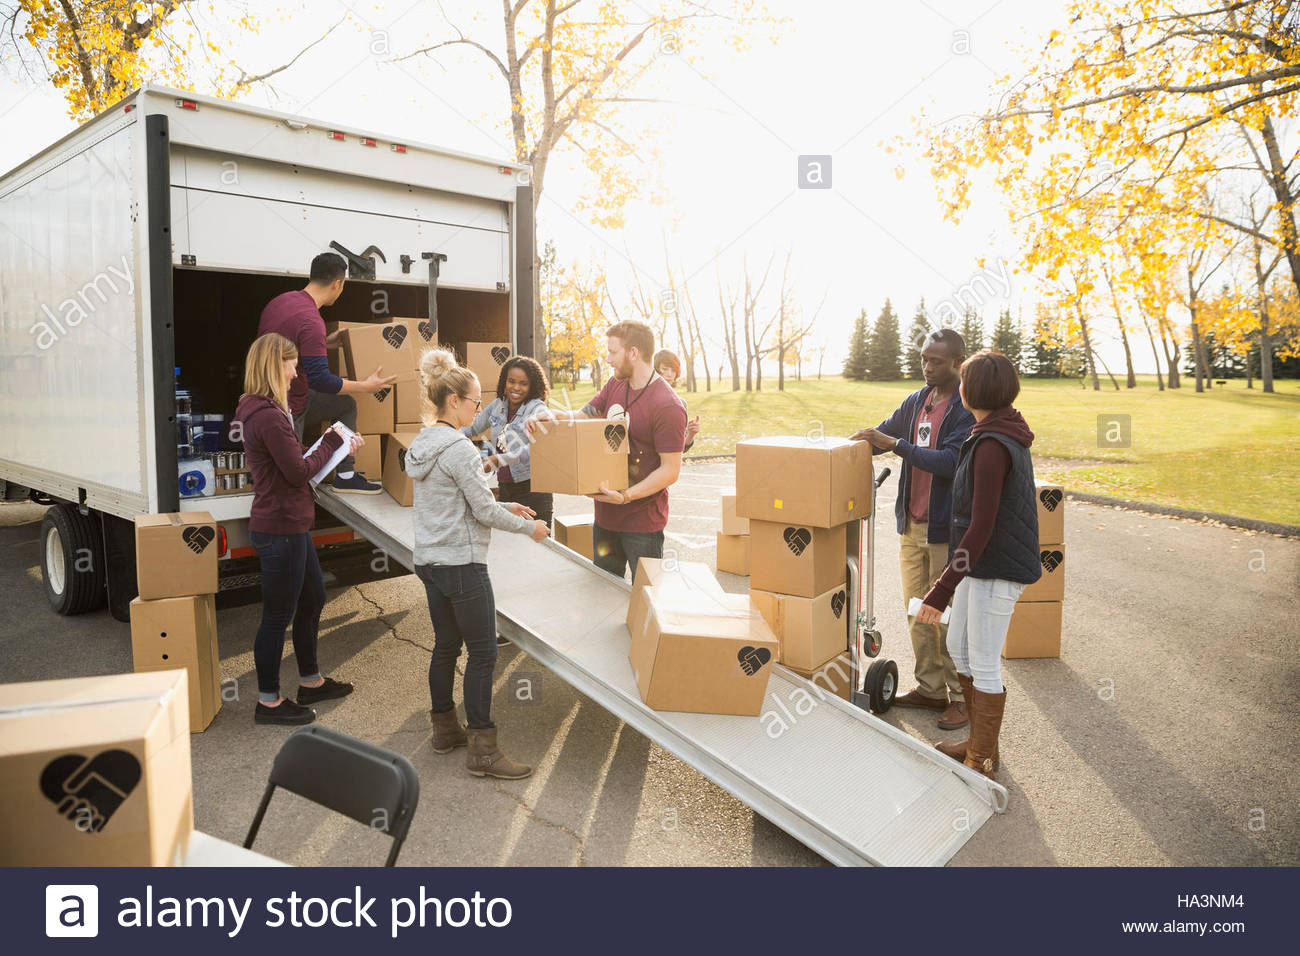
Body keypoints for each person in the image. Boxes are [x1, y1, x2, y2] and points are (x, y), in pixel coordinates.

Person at [404, 348, 551, 779]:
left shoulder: (423, 443)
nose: (478, 408)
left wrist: (515, 511)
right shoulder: (461, 449)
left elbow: (470, 503)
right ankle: (483, 751)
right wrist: (532, 530)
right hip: (464, 566)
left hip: (430, 562)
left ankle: (444, 730)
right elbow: (486, 512)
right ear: (454, 402)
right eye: (473, 400)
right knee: (484, 653)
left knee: (446, 646)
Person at [917, 351, 1040, 778]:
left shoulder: (992, 444)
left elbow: (982, 525)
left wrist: (942, 587)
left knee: (984, 660)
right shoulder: (990, 431)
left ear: (978, 390)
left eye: (965, 381)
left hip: (996, 566)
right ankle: (977, 743)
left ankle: (982, 759)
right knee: (959, 648)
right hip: (980, 563)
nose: (960, 388)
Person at [234, 333, 363, 725]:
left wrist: (325, 444)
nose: (295, 372)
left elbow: (291, 465)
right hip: (280, 530)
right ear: (275, 365)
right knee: (277, 615)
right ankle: (269, 702)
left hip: (290, 525)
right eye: (291, 364)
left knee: (313, 598)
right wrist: (332, 439)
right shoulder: (269, 416)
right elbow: (299, 471)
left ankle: (311, 681)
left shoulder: (263, 409)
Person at [850, 328, 975, 731]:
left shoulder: (964, 409)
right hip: (912, 525)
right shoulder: (917, 400)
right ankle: (930, 688)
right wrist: (846, 447)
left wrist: (896, 445)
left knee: (947, 617)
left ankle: (961, 698)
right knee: (917, 612)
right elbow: (880, 435)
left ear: (957, 362)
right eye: (924, 359)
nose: (927, 367)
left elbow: (950, 462)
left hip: (946, 530)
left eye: (936, 361)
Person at [529, 321, 687, 580]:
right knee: (602, 595)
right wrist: (550, 416)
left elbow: (670, 470)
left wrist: (625, 496)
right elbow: (583, 415)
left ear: (633, 353)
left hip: (642, 524)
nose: (608, 359)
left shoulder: (667, 405)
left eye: (613, 352)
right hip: (605, 518)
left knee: (645, 600)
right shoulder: (615, 384)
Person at [258, 252, 396, 494]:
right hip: (288, 409)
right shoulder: (311, 320)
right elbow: (320, 380)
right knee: (293, 482)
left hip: (266, 400)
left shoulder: (281, 302)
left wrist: (325, 342)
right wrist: (367, 386)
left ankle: (345, 475)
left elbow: (292, 341)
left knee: (345, 405)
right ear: (337, 284)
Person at [468, 355, 554, 528]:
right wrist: (445, 432)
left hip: (533, 491)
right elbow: (471, 428)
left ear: (532, 386)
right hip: (505, 490)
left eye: (523, 383)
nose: (516, 387)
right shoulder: (498, 405)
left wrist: (499, 460)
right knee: (511, 546)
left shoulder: (537, 408)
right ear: (504, 382)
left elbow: (537, 449)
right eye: (511, 381)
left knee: (537, 549)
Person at [654, 349, 701, 453]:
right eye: (665, 369)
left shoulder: (681, 404)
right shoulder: (645, 400)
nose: (669, 374)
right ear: (656, 371)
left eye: (673, 370)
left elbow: (680, 448)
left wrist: (691, 434)